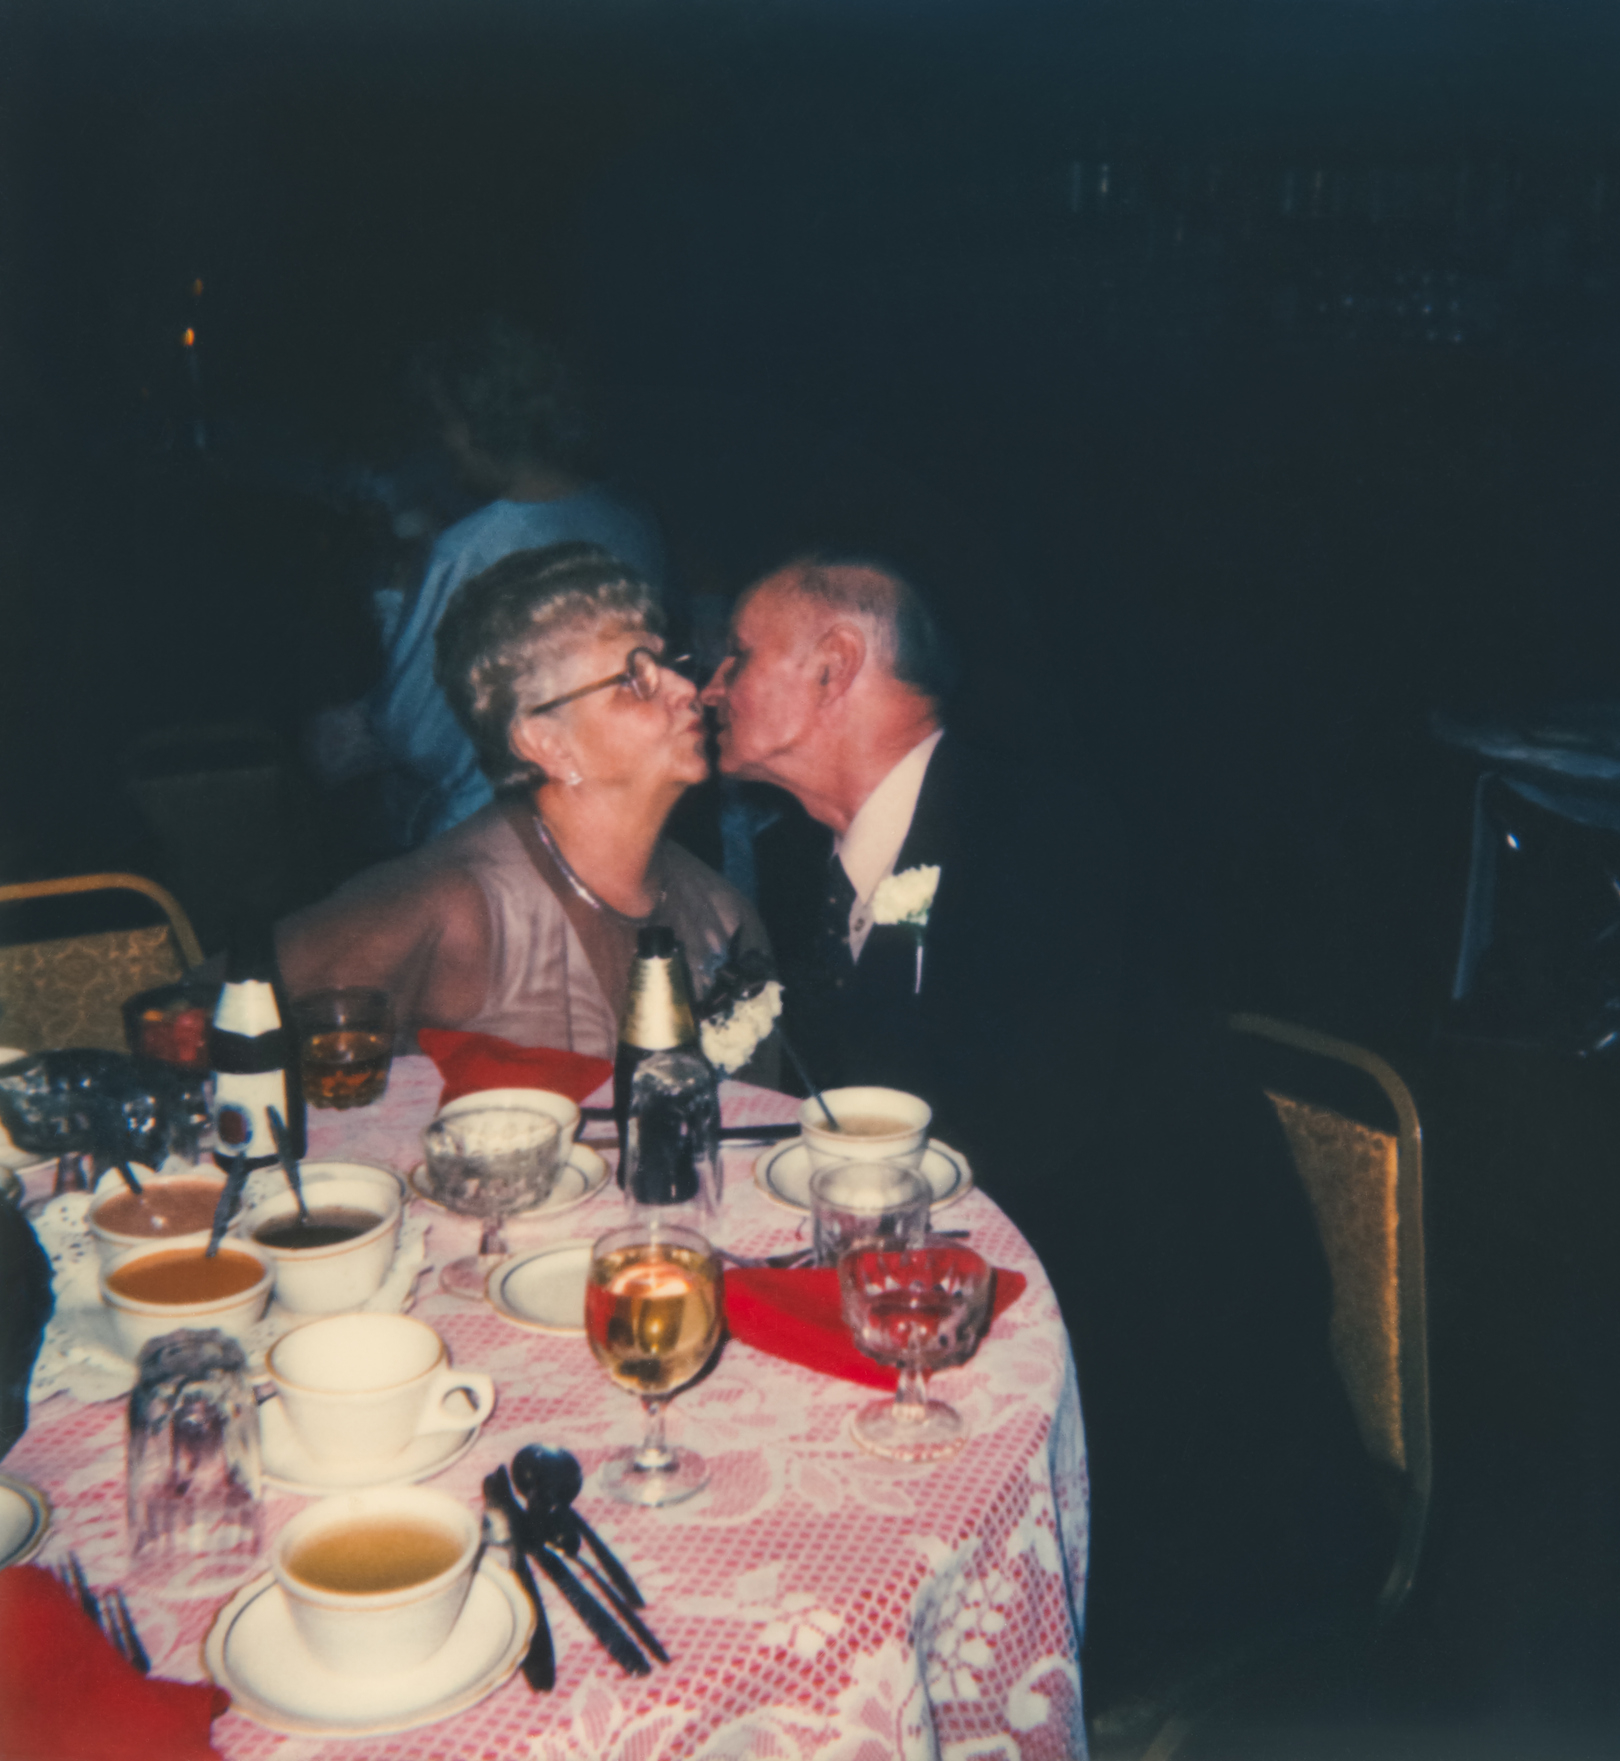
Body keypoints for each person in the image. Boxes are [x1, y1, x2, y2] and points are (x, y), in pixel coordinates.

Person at [702, 552, 1391, 1711]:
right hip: (992, 1291)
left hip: (1152, 1407)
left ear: (833, 669)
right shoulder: (796, 858)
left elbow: (1039, 1137)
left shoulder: (1038, 831)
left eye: (735, 654)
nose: (709, 683)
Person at [279, 543, 772, 1073]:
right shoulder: (456, 907)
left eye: (665, 662)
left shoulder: (723, 915)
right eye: (634, 680)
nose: (684, 687)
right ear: (546, 744)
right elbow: (221, 1005)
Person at [369, 317, 667, 847]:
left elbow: (414, 732)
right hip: (615, 819)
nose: (444, 440)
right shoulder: (630, 520)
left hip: (495, 835)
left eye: (446, 421)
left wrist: (397, 594)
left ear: (476, 421)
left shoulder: (468, 548)